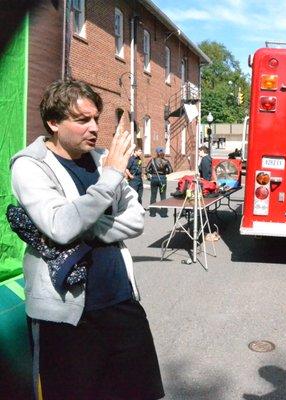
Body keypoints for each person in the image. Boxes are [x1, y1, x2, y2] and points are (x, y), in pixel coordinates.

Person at [10, 79, 164, 399]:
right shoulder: (29, 165)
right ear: (53, 122)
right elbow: (61, 227)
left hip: (121, 301)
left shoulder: (101, 159)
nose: (93, 127)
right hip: (67, 316)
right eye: (82, 120)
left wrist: (87, 222)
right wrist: (109, 180)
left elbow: (136, 219)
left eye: (95, 118)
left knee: (140, 392)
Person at [146, 146, 172, 217]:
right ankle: (163, 213)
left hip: (154, 178)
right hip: (162, 179)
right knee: (163, 196)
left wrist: (153, 172)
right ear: (163, 152)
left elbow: (147, 169)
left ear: (157, 153)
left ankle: (152, 213)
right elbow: (170, 170)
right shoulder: (166, 161)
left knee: (153, 196)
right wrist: (164, 172)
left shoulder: (152, 160)